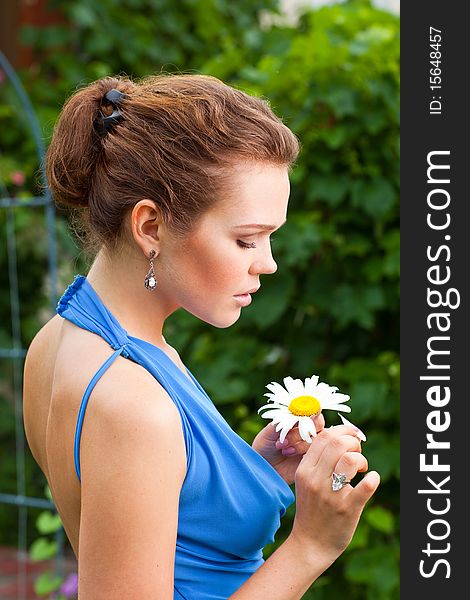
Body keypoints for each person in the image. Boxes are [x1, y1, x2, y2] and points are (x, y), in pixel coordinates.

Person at [22, 73, 380, 599]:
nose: (269, 264)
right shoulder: (132, 402)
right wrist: (311, 545)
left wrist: (248, 473)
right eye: (246, 240)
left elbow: (158, 529)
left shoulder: (59, 341)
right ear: (150, 227)